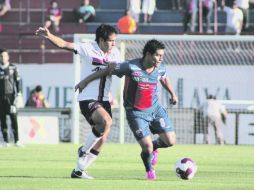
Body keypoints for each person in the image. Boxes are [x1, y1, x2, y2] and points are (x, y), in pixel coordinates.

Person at [75, 39, 178, 180]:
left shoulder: (160, 68)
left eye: (162, 55)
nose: (161, 58)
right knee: (146, 147)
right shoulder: (130, 66)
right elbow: (107, 70)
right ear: (148, 54)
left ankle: (154, 148)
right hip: (136, 113)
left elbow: (164, 79)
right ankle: (150, 172)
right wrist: (85, 81)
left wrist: (173, 94)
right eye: (158, 55)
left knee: (170, 141)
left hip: (155, 109)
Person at [35, 24, 121, 179]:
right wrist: (49, 35)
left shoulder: (116, 53)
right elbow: (64, 44)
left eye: (115, 41)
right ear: (101, 40)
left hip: (105, 100)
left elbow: (116, 71)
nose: (114, 44)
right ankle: (83, 151)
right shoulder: (88, 47)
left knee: (103, 139)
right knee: (106, 121)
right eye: (111, 40)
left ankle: (79, 170)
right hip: (88, 98)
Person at [0, 48, 23, 147]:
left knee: (14, 119)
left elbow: (18, 82)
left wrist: (18, 94)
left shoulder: (13, 68)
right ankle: (5, 141)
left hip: (11, 98)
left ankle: (17, 140)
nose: (3, 58)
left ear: (8, 57)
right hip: (0, 98)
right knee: (3, 120)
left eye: (4, 56)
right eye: (1, 56)